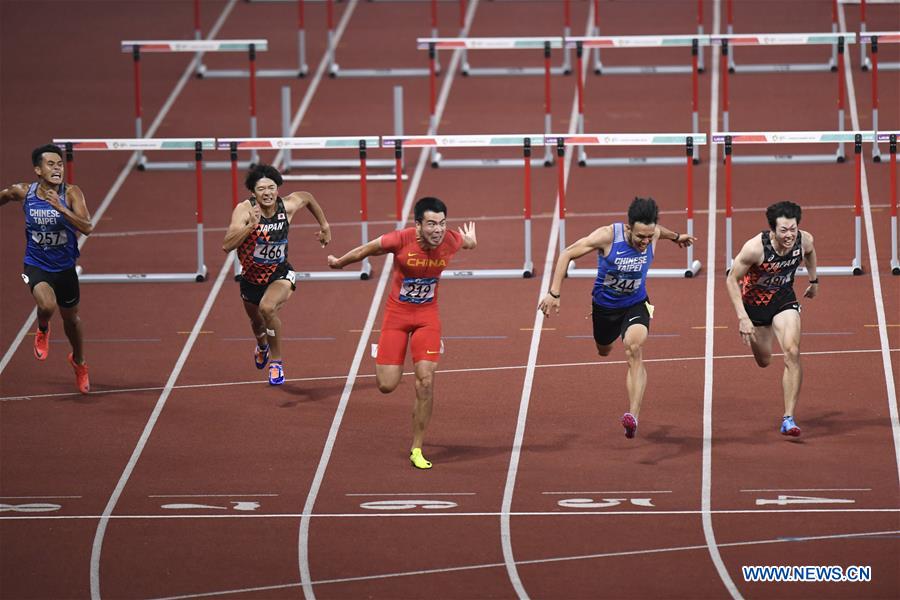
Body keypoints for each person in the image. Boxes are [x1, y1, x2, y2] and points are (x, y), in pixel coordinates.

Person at [327, 197, 477, 469]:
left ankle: (417, 448)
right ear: (418, 225)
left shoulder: (451, 240)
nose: (438, 230)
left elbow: (469, 243)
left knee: (426, 381)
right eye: (431, 224)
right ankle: (384, 352)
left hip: (427, 318)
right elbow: (366, 250)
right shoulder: (400, 239)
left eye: (442, 223)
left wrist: (471, 238)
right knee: (386, 385)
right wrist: (340, 263)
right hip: (396, 317)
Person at [538, 197, 694, 439]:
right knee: (604, 349)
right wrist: (554, 292)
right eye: (640, 236)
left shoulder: (652, 233)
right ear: (629, 227)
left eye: (649, 236)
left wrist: (676, 237)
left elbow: (659, 231)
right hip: (604, 307)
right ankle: (607, 336)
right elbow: (567, 253)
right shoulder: (608, 236)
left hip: (637, 303)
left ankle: (632, 416)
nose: (645, 242)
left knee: (634, 348)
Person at [222, 164, 331, 386]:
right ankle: (262, 345)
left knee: (267, 308)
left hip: (280, 273)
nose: (267, 193)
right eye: (261, 189)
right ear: (253, 192)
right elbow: (227, 245)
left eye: (271, 187)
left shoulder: (287, 206)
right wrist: (250, 227)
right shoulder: (244, 210)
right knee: (256, 322)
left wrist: (325, 226)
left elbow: (307, 197)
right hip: (251, 279)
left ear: (277, 189)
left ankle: (277, 364)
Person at [0, 144, 94, 394]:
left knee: (72, 320)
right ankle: (42, 329)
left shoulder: (72, 193)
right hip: (36, 263)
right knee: (46, 305)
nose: (57, 168)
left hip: (65, 268)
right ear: (37, 170)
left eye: (60, 164)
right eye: (51, 164)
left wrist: (62, 209)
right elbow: (5, 195)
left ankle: (79, 362)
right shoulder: (25, 192)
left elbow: (87, 227)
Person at [725, 200, 818, 437]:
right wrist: (742, 318)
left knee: (792, 352)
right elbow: (731, 280)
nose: (789, 235)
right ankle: (758, 334)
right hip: (755, 308)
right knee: (764, 360)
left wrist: (814, 280)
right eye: (783, 230)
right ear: (772, 230)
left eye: (793, 229)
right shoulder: (755, 248)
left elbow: (809, 252)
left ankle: (788, 418)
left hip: (783, 299)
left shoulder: (803, 239)